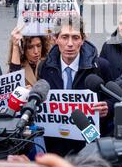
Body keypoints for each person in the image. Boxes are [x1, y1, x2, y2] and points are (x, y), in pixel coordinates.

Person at [38, 15, 113, 156]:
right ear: (55, 39)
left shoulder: (100, 66)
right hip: (56, 144)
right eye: (65, 37)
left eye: (75, 37)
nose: (70, 43)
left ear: (83, 40)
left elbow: (114, 99)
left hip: (89, 144)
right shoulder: (44, 67)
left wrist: (107, 107)